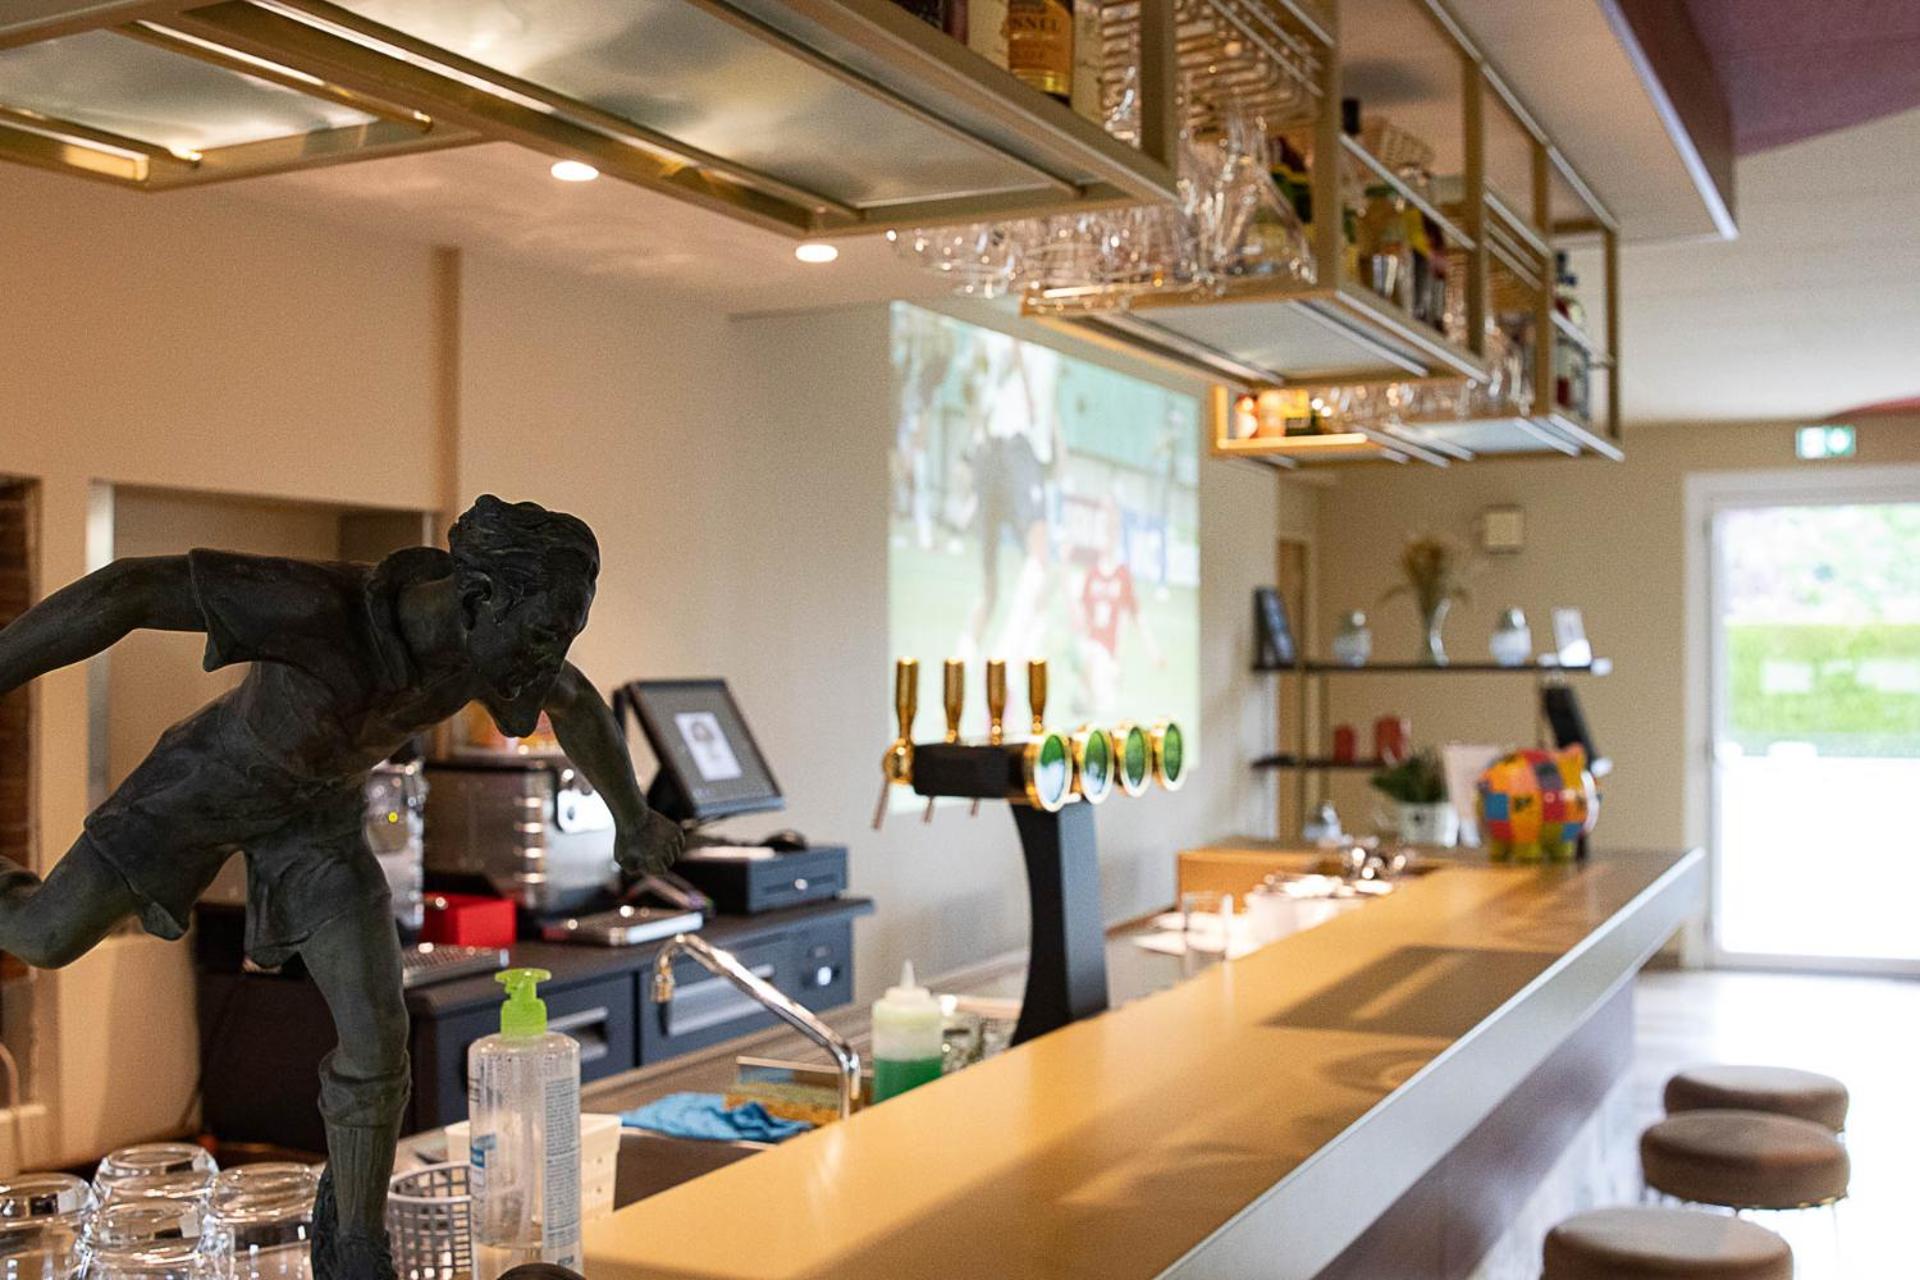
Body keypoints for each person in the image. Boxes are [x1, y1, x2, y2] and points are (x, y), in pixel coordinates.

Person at [0, 495, 681, 1280]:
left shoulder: (482, 647)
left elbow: (578, 701)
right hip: (200, 789)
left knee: (378, 1033)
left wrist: (634, 818)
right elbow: (129, 589)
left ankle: (356, 1246)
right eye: (545, 633)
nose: (551, 655)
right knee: (44, 936)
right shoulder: (322, 607)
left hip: (317, 826)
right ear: (476, 599)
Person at [1075, 495, 1163, 715]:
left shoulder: (1122, 574)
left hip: (1110, 656)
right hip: (1092, 651)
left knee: (1104, 708)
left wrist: (1153, 650)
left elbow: (1136, 616)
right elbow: (1082, 618)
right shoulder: (1091, 574)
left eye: (1111, 528)